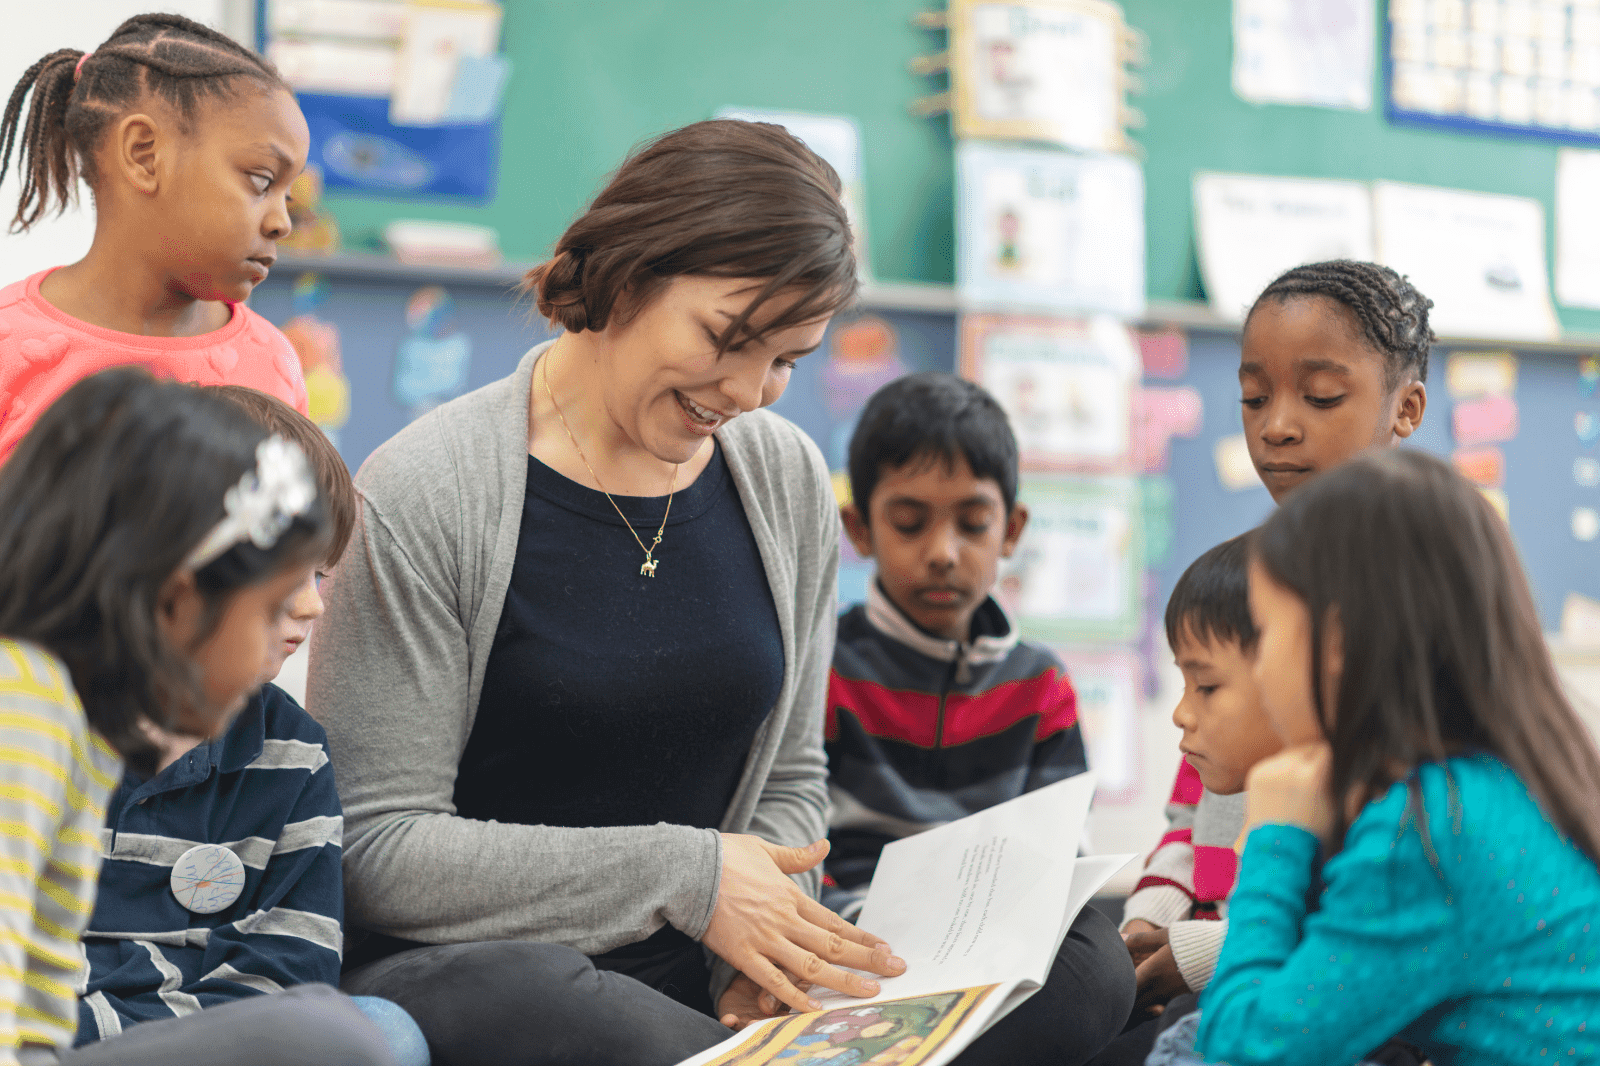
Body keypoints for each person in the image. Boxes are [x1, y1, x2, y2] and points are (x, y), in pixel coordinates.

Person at [309, 119, 904, 1066]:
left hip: (700, 978)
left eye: (789, 358)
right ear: (630, 277)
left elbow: (791, 779)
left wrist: (763, 951)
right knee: (548, 996)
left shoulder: (785, 478)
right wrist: (687, 875)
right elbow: (375, 847)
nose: (751, 389)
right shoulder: (427, 489)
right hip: (497, 984)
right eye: (730, 337)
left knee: (1087, 965)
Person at [0, 368, 394, 1066]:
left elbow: (40, 977)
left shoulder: (85, 722)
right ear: (181, 598)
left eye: (320, 577)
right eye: (276, 599)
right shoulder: (29, 709)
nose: (312, 609)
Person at [1176, 450, 1600, 1064]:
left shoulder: (1430, 828)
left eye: (1267, 633)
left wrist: (1274, 836)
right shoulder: (1512, 778)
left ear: (1340, 641)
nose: (1263, 668)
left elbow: (1243, 1052)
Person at [824, 373, 1131, 1064]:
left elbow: (1059, 862)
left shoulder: (1040, 682)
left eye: (973, 523)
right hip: (851, 953)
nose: (942, 551)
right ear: (859, 528)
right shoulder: (827, 666)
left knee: (1100, 960)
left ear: (1012, 529)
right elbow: (796, 851)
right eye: (909, 522)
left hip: (990, 960)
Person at [1122, 260, 1434, 940]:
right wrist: (1155, 914)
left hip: (1322, 962)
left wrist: (1207, 951)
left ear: (1405, 409)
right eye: (1255, 398)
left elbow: (1390, 884)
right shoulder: (1246, 581)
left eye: (1320, 396)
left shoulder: (1422, 607)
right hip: (1217, 939)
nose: (1277, 427)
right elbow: (1192, 807)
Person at [0, 13, 309, 465]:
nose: (282, 222)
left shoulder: (273, 364)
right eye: (262, 181)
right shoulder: (10, 345)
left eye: (289, 194)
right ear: (144, 154)